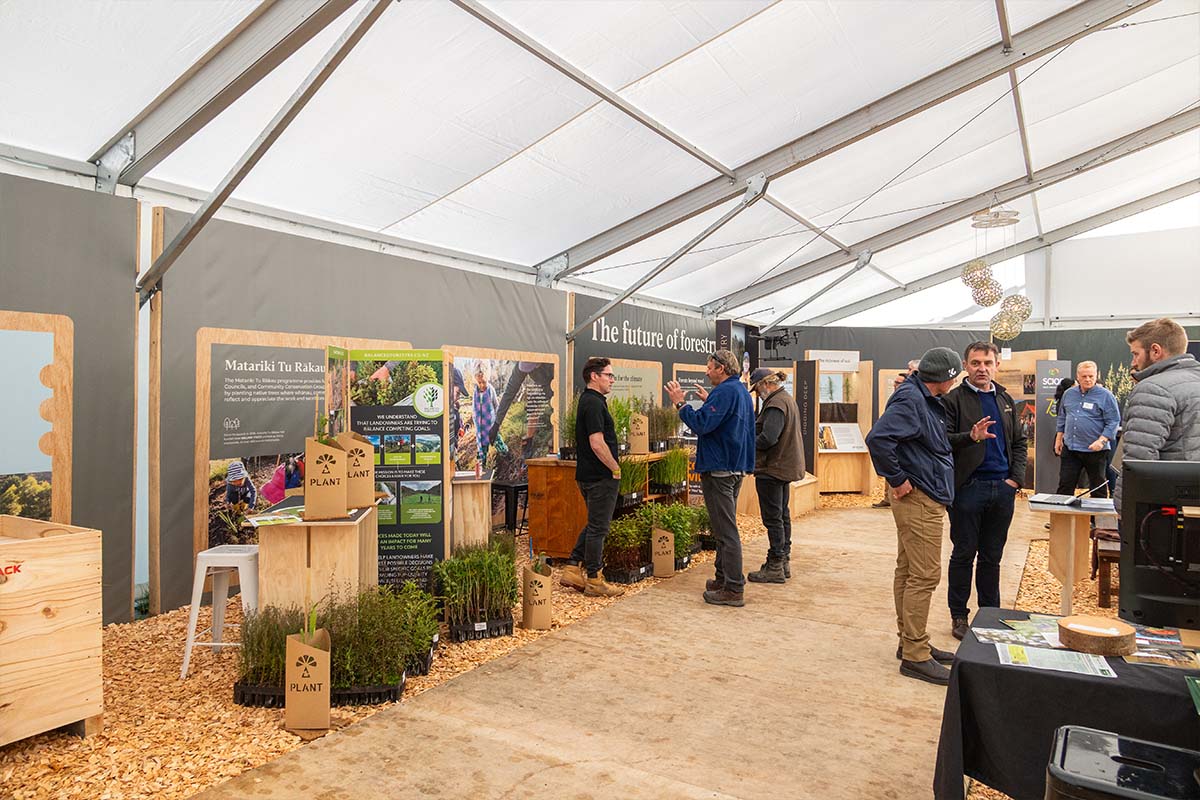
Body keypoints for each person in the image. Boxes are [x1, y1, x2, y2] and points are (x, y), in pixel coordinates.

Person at [865, 347, 959, 686]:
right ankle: (916, 655)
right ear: (947, 377)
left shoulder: (920, 396)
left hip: (924, 494)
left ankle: (911, 641)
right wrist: (898, 480)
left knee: (908, 570)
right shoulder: (913, 400)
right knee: (924, 575)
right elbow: (878, 439)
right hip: (919, 498)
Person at [942, 342, 1027, 641]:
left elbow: (1019, 442)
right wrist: (971, 436)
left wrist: (1015, 480)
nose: (982, 368)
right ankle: (959, 615)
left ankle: (990, 614)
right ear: (966, 365)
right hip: (968, 489)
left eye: (987, 363)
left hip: (1002, 489)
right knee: (964, 554)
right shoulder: (953, 400)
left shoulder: (1005, 399)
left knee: (992, 556)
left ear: (997, 365)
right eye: (976, 363)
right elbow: (943, 442)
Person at [665, 349, 756, 607]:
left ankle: (734, 589)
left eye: (710, 367)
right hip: (734, 468)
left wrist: (680, 404)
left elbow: (703, 424)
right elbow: (726, 423)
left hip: (720, 470)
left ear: (722, 369)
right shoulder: (738, 391)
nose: (706, 371)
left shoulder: (726, 392)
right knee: (722, 529)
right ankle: (723, 579)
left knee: (725, 531)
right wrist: (709, 401)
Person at [1115, 318, 1200, 513]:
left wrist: (1124, 511)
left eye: (1136, 354)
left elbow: (1139, 461)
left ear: (1155, 351)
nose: (1133, 362)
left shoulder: (1152, 388)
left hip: (1163, 510)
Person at [560, 357, 625, 598]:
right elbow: (597, 443)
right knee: (599, 528)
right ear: (594, 376)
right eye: (608, 375)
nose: (612, 380)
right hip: (600, 476)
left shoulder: (589, 401)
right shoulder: (594, 404)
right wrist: (614, 467)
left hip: (587, 475)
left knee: (595, 524)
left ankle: (572, 567)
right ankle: (595, 579)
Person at [746, 368, 806, 584]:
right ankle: (783, 561)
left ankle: (775, 565)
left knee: (773, 518)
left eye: (757, 389)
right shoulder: (785, 399)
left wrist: (745, 444)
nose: (757, 393)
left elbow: (768, 438)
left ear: (764, 384)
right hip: (783, 467)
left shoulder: (775, 404)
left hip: (773, 469)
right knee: (782, 515)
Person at [1055, 361, 1120, 497]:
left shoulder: (1106, 396)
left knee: (1098, 489)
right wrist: (1058, 438)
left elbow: (1113, 421)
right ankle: (1063, 518)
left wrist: (1101, 441)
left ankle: (1096, 519)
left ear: (1096, 376)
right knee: (1064, 487)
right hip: (1071, 449)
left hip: (1095, 450)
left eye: (1091, 376)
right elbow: (1062, 417)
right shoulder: (1068, 394)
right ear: (1077, 376)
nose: (1088, 379)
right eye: (1084, 376)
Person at [873, 359, 921, 509]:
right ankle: (888, 496)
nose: (908, 373)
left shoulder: (912, 396)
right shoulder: (905, 396)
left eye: (910, 370)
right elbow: (878, 438)